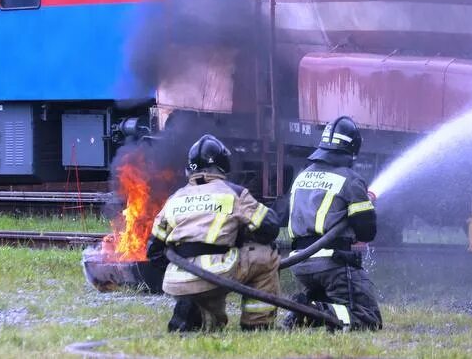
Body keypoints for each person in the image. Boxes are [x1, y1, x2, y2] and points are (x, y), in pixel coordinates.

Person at [145, 134, 281, 333]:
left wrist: (186, 268)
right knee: (265, 255)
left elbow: (154, 251)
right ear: (223, 166)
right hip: (217, 273)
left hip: (177, 281)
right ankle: (257, 323)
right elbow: (270, 228)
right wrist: (242, 236)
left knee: (211, 325)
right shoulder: (233, 192)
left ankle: (194, 310)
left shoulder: (175, 198)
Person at [282, 115, 382, 331]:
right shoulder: (350, 179)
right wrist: (367, 206)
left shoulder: (302, 176)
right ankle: (315, 313)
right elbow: (366, 232)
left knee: (338, 303)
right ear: (353, 149)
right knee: (368, 318)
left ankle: (308, 308)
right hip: (332, 264)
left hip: (300, 264)